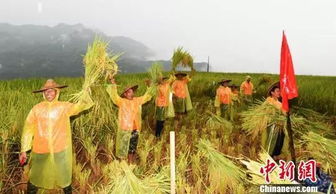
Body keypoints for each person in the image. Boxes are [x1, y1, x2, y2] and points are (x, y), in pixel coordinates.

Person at [19, 79, 94, 194]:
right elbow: (28, 129)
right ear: (43, 94)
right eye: (46, 92)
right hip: (41, 148)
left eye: (51, 91)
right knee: (36, 175)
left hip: (60, 148)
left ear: (56, 92)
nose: (49, 94)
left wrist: (86, 93)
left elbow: (79, 107)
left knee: (64, 175)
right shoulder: (37, 109)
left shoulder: (64, 107)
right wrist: (24, 149)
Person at [106, 77, 154, 163]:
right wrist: (113, 84)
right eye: (129, 92)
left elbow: (147, 97)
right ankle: (123, 164)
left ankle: (130, 163)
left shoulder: (137, 101)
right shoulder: (121, 101)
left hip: (135, 129)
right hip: (125, 129)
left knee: (132, 147)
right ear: (125, 94)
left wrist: (149, 86)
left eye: (132, 91)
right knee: (123, 147)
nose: (131, 93)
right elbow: (114, 96)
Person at [263, 82, 287, 160]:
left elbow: (284, 113)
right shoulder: (269, 100)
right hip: (271, 123)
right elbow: (266, 110)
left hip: (279, 124)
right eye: (277, 91)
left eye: (279, 91)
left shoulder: (279, 103)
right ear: (272, 93)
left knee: (279, 139)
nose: (279, 93)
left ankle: (274, 154)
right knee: (271, 139)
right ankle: (267, 155)